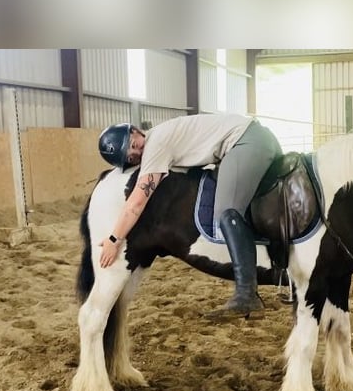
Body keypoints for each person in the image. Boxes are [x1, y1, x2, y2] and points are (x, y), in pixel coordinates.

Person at [97, 113, 283, 315]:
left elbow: (136, 202)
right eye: (132, 157)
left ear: (136, 131)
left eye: (134, 145)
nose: (138, 152)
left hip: (246, 142)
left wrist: (114, 239)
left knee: (226, 210)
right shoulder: (160, 137)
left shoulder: (155, 144)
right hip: (253, 139)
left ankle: (247, 294)